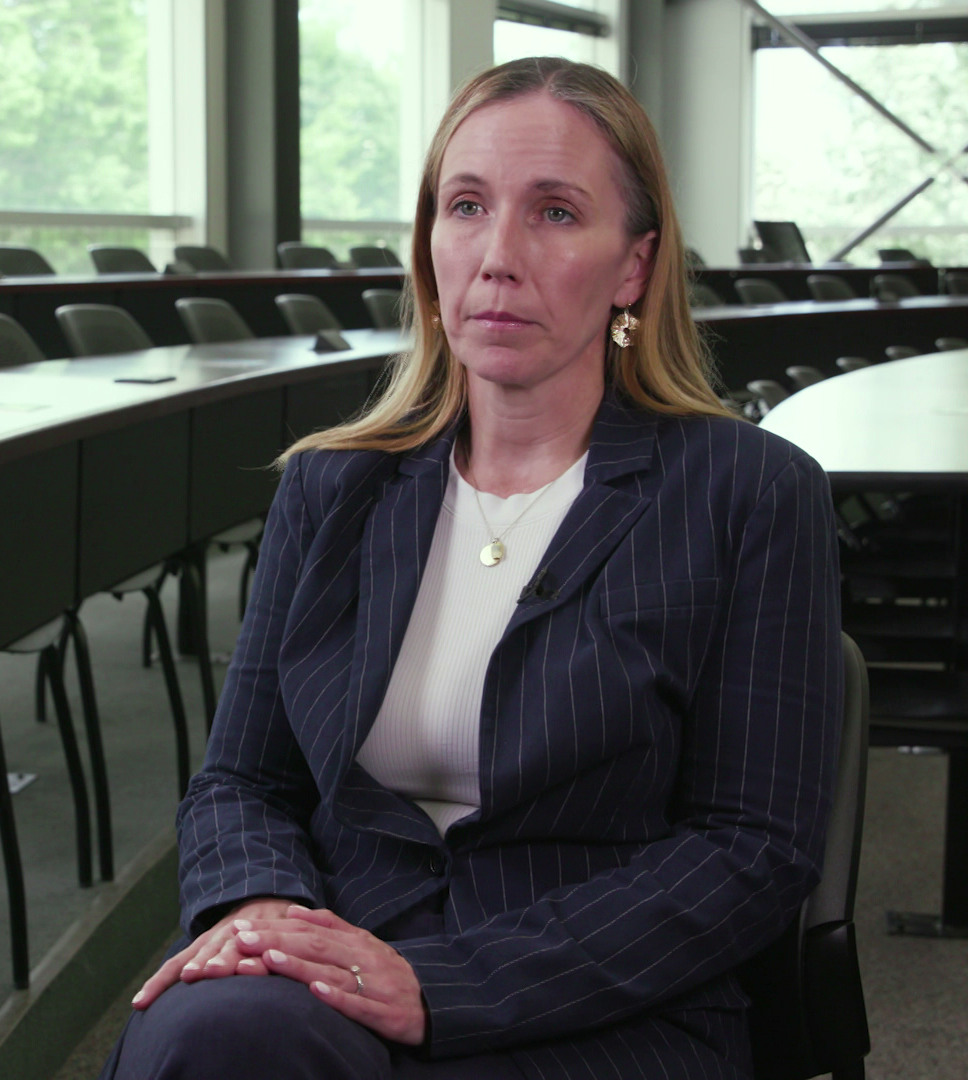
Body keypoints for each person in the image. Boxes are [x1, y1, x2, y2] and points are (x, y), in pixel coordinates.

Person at [104, 56, 842, 1079]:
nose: (497, 256)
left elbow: (751, 847)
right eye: (466, 206)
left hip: (595, 998)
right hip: (340, 955)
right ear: (430, 247)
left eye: (554, 213)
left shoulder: (749, 492)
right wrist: (264, 907)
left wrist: (448, 984)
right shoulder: (334, 488)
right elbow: (243, 777)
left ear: (632, 266)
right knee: (214, 1036)